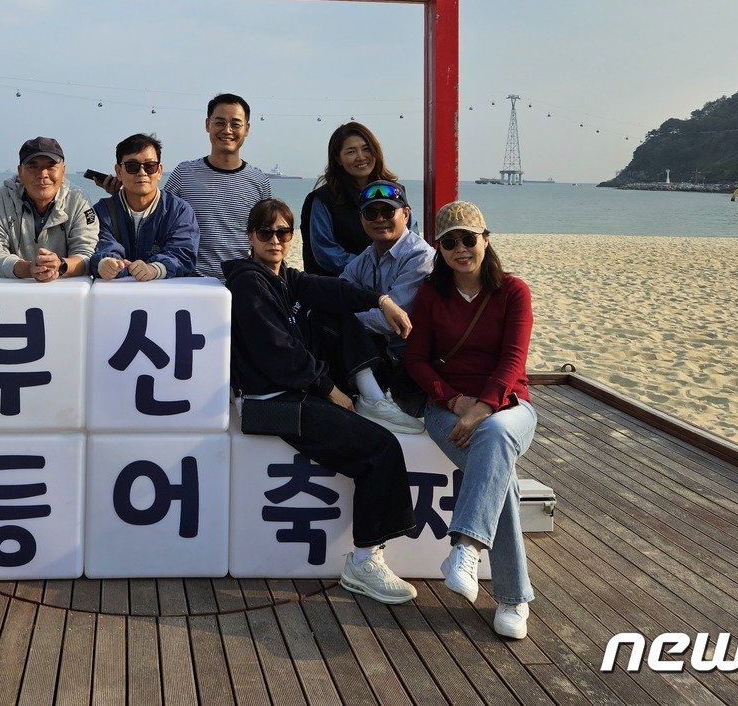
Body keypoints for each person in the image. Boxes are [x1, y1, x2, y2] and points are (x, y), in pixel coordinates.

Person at [225, 198, 420, 605]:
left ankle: (370, 394)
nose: (275, 240)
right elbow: (276, 351)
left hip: (293, 389)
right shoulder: (248, 282)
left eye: (282, 232)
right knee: (380, 448)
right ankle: (364, 560)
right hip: (270, 401)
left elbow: (330, 288)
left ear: (291, 236)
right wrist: (328, 388)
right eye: (265, 232)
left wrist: (380, 300)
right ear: (250, 238)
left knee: (337, 307)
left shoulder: (283, 279)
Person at [403, 200, 536, 640]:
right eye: (449, 241)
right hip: (446, 409)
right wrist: (452, 398)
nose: (461, 248)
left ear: (486, 240)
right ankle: (514, 598)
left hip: (510, 406)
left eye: (468, 238)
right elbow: (416, 360)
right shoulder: (429, 295)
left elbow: (513, 358)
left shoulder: (513, 292)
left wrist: (483, 405)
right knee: (503, 478)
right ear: (439, 249)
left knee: (495, 435)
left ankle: (466, 546)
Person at [339, 180, 435, 429]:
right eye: (371, 212)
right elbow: (339, 291)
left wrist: (345, 318)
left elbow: (390, 321)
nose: (379, 218)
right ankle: (370, 397)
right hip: (378, 354)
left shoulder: (420, 256)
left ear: (406, 213)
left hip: (410, 360)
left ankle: (374, 398)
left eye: (387, 211)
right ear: (362, 219)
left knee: (337, 319)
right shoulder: (368, 256)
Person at [165, 93, 271, 280]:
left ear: (247, 128)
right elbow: (157, 216)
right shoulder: (184, 173)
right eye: (219, 122)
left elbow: (265, 238)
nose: (227, 130)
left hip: (241, 282)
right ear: (207, 125)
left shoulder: (259, 181)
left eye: (235, 124)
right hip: (190, 281)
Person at [0, 137, 97, 281]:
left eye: (51, 166)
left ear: (63, 172)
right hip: (13, 290)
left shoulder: (78, 199)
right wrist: (28, 268)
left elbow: (88, 254)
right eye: (33, 166)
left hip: (67, 291)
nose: (43, 174)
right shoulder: (1, 199)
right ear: (20, 172)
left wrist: (61, 265)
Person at [91, 133, 199, 280]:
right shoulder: (102, 211)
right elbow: (100, 247)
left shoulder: (179, 211)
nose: (142, 173)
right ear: (119, 172)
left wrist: (155, 269)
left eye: (150, 166)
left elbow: (183, 253)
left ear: (159, 171)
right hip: (115, 296)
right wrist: (105, 263)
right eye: (132, 166)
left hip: (166, 297)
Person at [302, 122, 404, 276]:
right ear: (337, 158)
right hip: (340, 288)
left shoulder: (394, 192)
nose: (361, 157)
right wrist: (372, 269)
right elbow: (325, 252)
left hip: (393, 282)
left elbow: (409, 237)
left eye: (366, 149)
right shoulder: (323, 199)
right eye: (351, 152)